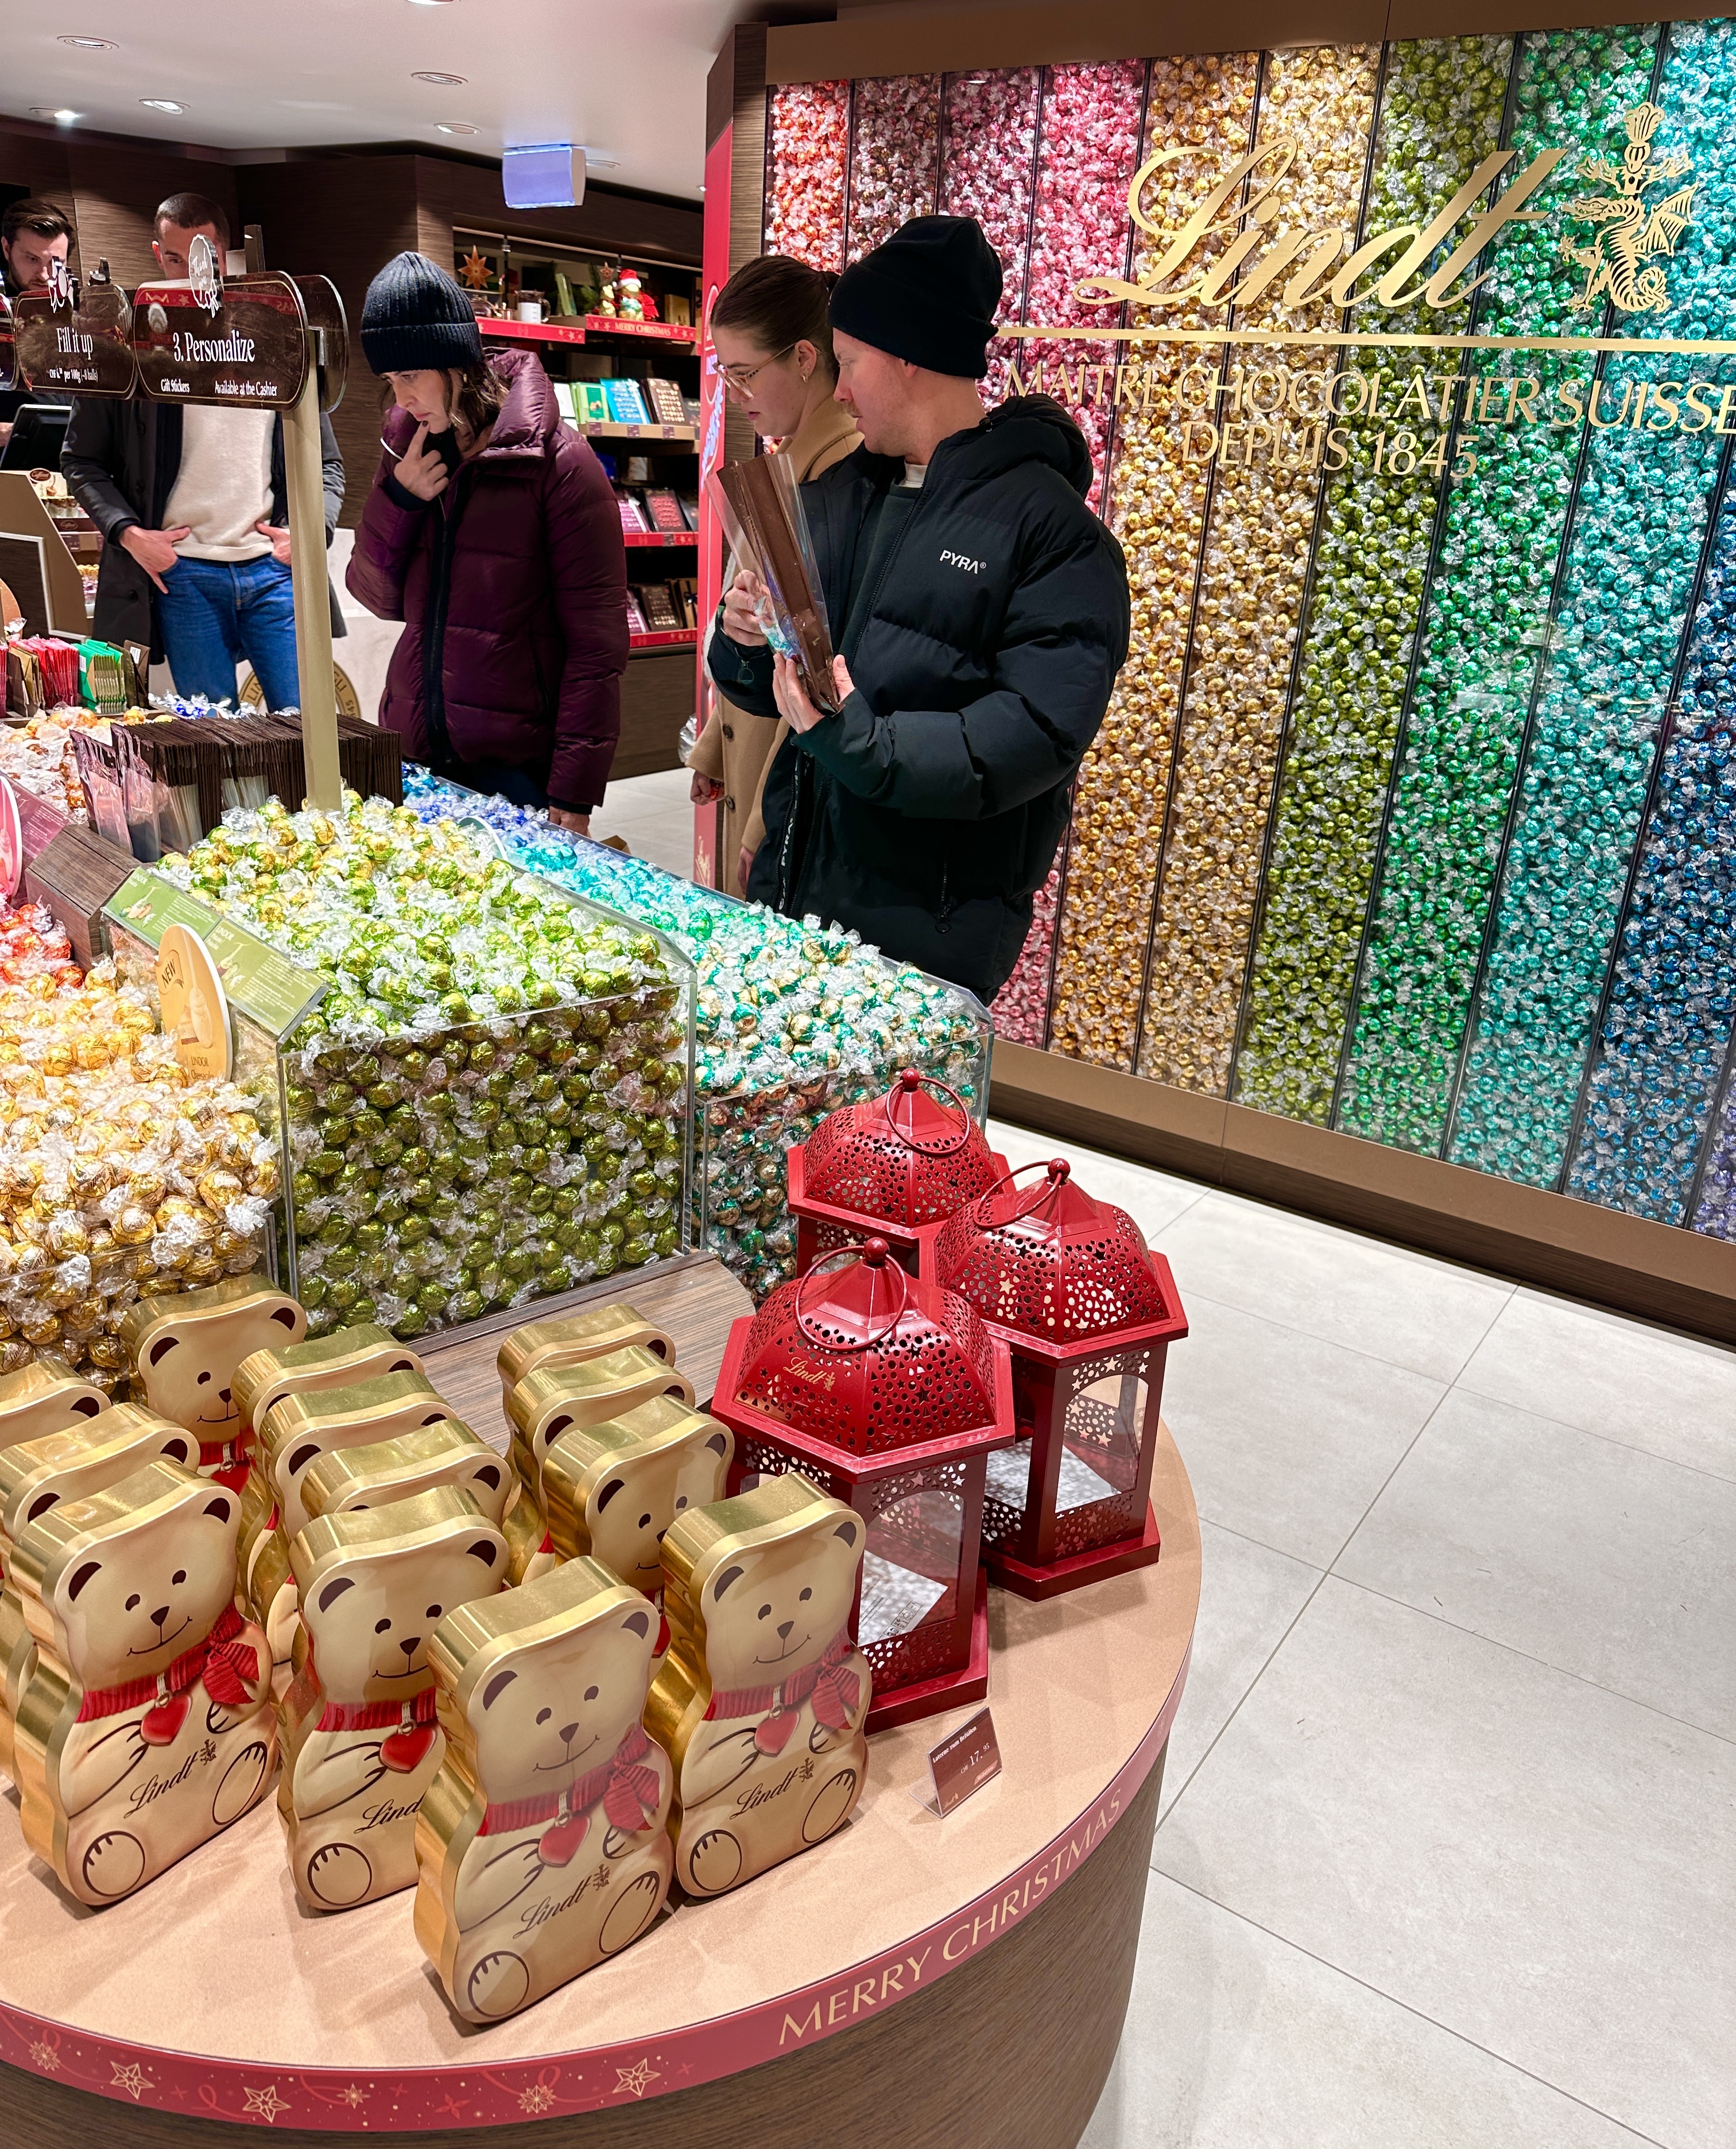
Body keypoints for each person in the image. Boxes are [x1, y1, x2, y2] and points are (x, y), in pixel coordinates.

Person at [706, 216, 1130, 1004]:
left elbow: (1031, 737)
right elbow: (771, 684)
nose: (838, 390)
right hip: (796, 910)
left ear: (907, 356)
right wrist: (746, 641)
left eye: (849, 362)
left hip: (922, 947)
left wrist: (856, 739)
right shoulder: (837, 497)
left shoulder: (1055, 537)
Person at [346, 251, 627, 832]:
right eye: (390, 381)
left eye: (411, 376)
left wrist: (575, 792)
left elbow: (597, 644)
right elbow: (376, 597)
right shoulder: (410, 453)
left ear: (457, 364)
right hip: (418, 753)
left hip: (518, 770)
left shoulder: (560, 465)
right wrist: (399, 500)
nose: (402, 399)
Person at [62, 191, 345, 704]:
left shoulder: (273, 333)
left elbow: (326, 463)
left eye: (203, 258)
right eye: (175, 258)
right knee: (215, 734)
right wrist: (129, 534)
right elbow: (81, 460)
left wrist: (309, 534)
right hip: (183, 570)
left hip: (272, 567)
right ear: (157, 254)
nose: (189, 273)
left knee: (309, 722)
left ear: (227, 254)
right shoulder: (126, 344)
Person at [688, 255, 858, 895]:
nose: (735, 396)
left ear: (805, 359)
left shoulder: (838, 481)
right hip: (755, 755)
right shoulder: (787, 467)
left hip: (787, 792)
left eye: (745, 374)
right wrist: (714, 745)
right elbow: (760, 623)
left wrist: (764, 824)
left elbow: (819, 671)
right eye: (725, 375)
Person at [0, 197, 76, 444]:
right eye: (32, 259)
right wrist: (11, 433)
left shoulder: (80, 318)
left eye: (56, 264)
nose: (44, 276)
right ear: (6, 248)